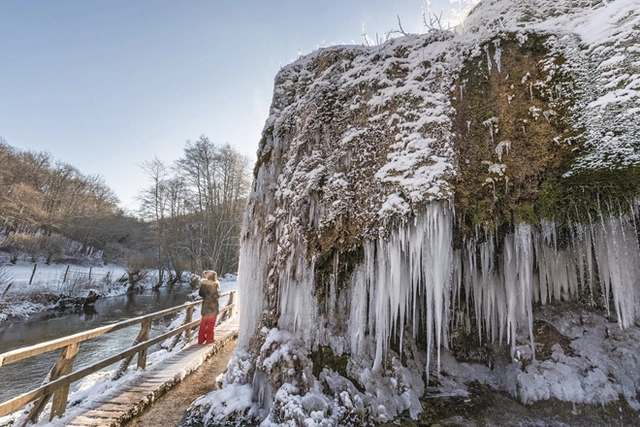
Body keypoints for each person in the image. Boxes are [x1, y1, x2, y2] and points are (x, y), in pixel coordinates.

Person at [198, 270, 220, 344]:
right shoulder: (214, 284)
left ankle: (200, 339)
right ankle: (209, 339)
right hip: (212, 307)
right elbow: (216, 296)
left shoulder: (203, 284)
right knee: (211, 324)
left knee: (203, 324)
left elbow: (200, 294)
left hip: (205, 306)